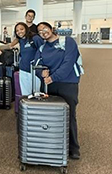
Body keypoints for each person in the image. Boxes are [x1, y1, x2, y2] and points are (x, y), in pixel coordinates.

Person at [35, 22, 82, 160]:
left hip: (68, 83)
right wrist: (41, 72)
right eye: (40, 32)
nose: (43, 32)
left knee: (69, 115)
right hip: (49, 85)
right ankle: (53, 145)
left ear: (51, 29)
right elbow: (36, 64)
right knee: (51, 116)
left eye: (45, 29)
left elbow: (68, 63)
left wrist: (53, 77)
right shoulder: (42, 47)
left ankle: (73, 148)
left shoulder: (68, 41)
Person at [13, 22, 44, 95]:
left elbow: (43, 52)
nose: (19, 32)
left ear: (26, 29)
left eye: (21, 29)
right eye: (17, 31)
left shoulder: (35, 38)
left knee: (36, 94)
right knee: (25, 95)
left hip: (34, 71)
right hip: (23, 70)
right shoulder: (21, 40)